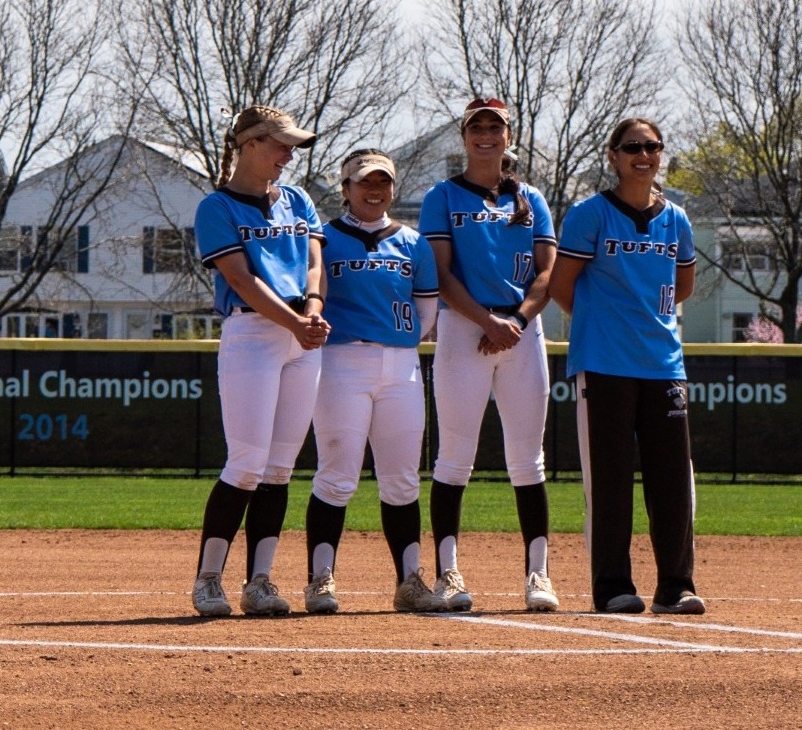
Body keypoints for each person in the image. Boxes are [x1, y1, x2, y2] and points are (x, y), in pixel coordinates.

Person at [548, 118, 705, 615]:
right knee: (610, 479)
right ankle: (612, 585)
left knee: (673, 482)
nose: (644, 155)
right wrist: (604, 322)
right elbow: (561, 286)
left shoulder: (676, 218)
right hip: (605, 363)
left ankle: (675, 586)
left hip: (664, 364)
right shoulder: (590, 214)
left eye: (653, 147)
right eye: (633, 147)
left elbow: (683, 287)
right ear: (613, 156)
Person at [418, 97, 559, 612]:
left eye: (494, 127)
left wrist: (516, 322)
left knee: (529, 460)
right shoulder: (443, 196)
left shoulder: (532, 198)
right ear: (464, 136)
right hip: (464, 331)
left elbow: (547, 274)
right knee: (454, 460)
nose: (485, 135)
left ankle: (538, 575)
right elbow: (441, 274)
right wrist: (487, 322)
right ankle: (448, 574)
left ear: (508, 135)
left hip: (522, 335)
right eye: (476, 127)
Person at [190, 104, 330, 617]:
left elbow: (315, 262)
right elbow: (240, 279)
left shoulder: (297, 199)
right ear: (248, 144)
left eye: (291, 146)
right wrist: (294, 322)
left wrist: (312, 310)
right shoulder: (217, 206)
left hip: (302, 336)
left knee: (279, 468)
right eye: (279, 144)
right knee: (246, 463)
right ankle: (208, 580)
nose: (289, 154)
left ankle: (260, 581)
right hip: (253, 331)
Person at [302, 149, 446, 614]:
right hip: (342, 361)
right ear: (345, 188)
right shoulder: (323, 238)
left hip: (401, 364)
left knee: (402, 480)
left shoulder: (412, 242)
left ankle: (409, 581)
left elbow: (426, 312)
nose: (374, 189)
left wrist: (400, 341)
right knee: (337, 476)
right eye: (364, 181)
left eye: (382, 181)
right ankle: (320, 580)